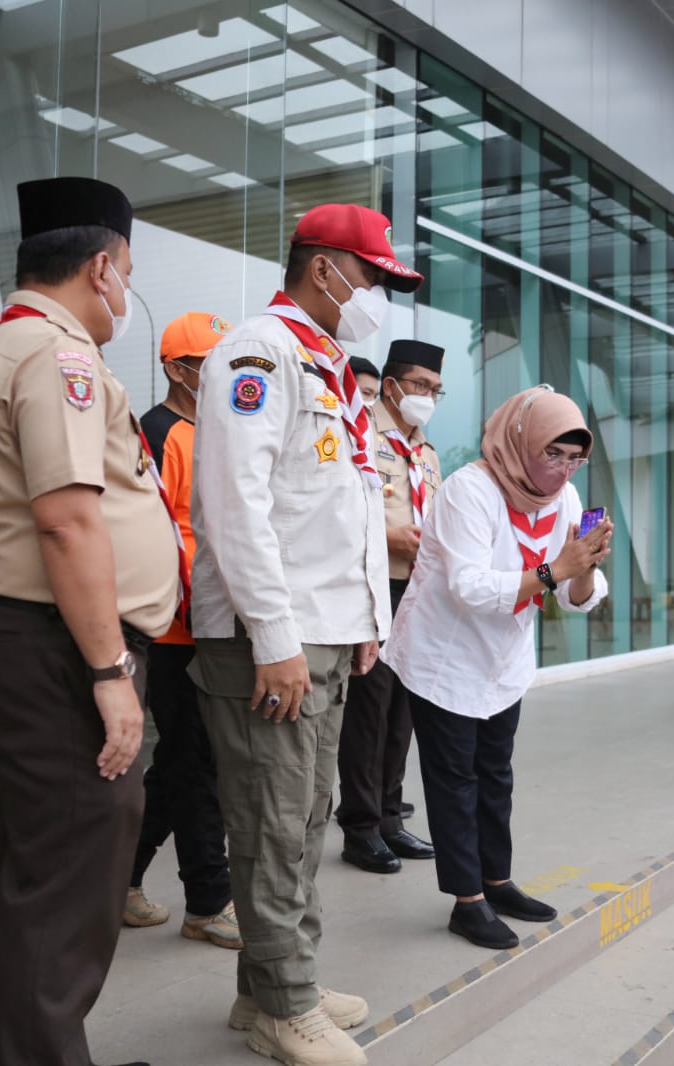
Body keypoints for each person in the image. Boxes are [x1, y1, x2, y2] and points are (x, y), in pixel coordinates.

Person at [0, 176, 177, 1066]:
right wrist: (111, 672)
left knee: (42, 868)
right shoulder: (57, 355)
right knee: (75, 867)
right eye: (127, 272)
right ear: (100, 267)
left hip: (30, 639)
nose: (126, 291)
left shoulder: (3, 346)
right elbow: (69, 521)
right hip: (57, 647)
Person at [192, 203, 417, 1066]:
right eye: (374, 278)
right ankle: (287, 1009)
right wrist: (275, 637)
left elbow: (340, 511)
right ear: (324, 269)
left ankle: (271, 988)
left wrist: (366, 622)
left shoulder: (325, 365)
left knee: (304, 817)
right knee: (274, 825)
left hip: (324, 632)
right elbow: (236, 506)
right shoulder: (258, 354)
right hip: (271, 640)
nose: (379, 297)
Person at [384, 385, 613, 951]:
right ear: (520, 441)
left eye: (574, 458)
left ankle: (496, 881)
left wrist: (585, 566)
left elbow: (579, 598)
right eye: (552, 454)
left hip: (503, 661)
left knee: (495, 775)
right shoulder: (470, 490)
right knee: (455, 780)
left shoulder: (562, 498)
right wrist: (558, 569)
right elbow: (471, 587)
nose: (562, 470)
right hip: (443, 657)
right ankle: (467, 902)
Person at [123, 312, 240, 950]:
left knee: (181, 765)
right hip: (177, 629)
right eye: (209, 364)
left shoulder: (220, 431)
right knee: (196, 764)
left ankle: (119, 876)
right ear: (176, 369)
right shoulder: (157, 432)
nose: (223, 375)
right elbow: (154, 533)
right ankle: (209, 901)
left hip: (221, 621)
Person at [336, 340, 445, 874]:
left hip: (417, 592)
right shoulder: (356, 429)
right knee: (369, 713)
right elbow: (337, 509)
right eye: (421, 384)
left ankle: (388, 817)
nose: (429, 396)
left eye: (437, 389)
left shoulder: (426, 451)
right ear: (394, 384)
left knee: (403, 712)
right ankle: (359, 828)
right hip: (373, 588)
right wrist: (386, 538)